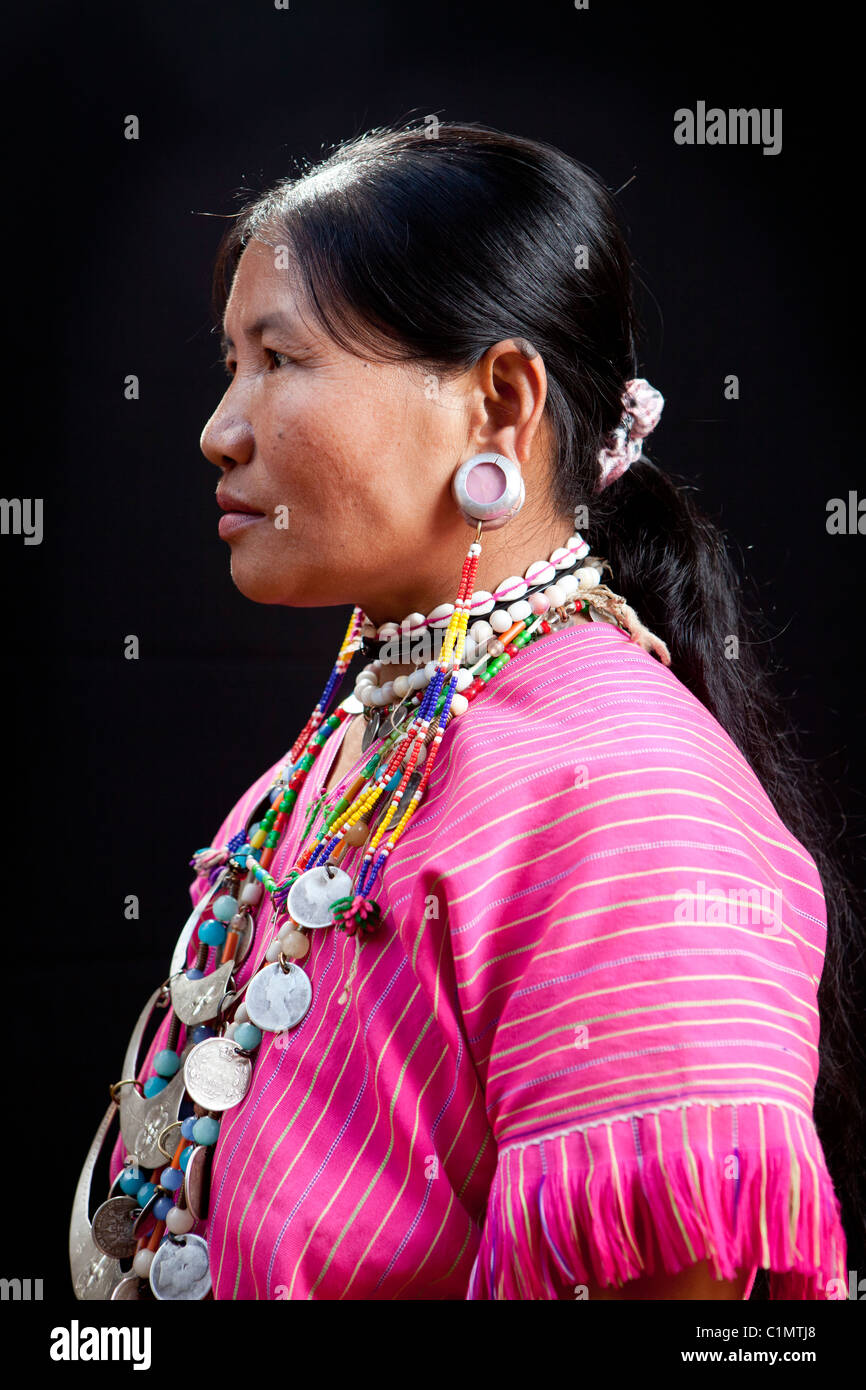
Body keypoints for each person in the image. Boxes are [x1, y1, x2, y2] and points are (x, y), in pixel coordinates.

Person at [85, 121, 861, 1301]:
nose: (219, 427)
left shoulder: (630, 798)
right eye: (228, 363)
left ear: (499, 402)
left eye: (280, 360)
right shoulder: (361, 742)